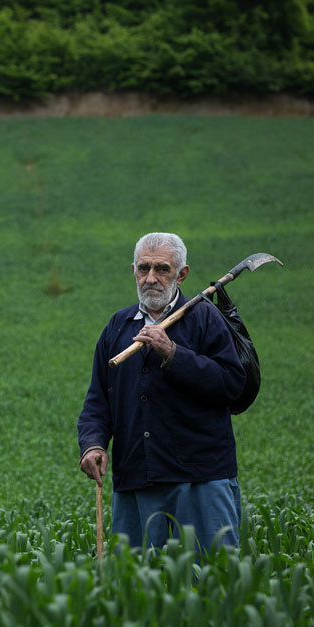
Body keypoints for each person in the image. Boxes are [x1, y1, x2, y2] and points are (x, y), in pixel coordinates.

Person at [77, 232, 247, 553]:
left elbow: (232, 385)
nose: (151, 278)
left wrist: (172, 353)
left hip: (200, 479)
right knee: (136, 590)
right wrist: (92, 444)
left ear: (181, 274)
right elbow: (98, 400)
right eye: (144, 269)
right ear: (133, 271)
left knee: (211, 585)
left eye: (162, 269)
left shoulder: (205, 318)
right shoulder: (118, 326)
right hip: (136, 479)